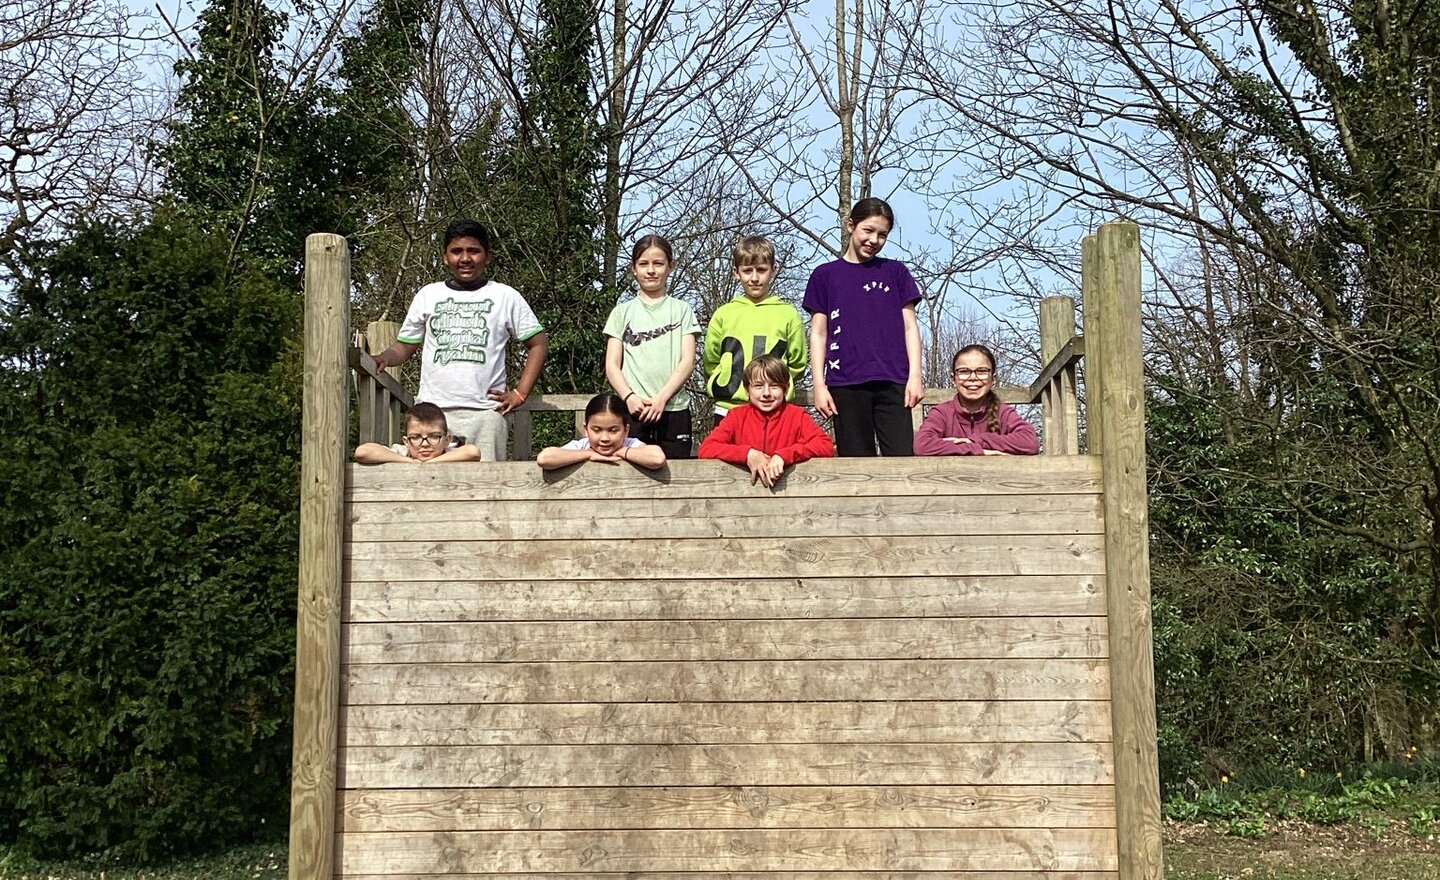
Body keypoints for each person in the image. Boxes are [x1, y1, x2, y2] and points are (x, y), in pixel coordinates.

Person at [365, 219, 548, 461]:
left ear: (488, 256)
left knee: (486, 480)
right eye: (456, 251)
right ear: (445, 257)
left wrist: (520, 392)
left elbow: (538, 344)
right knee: (430, 479)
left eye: (473, 251)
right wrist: (385, 357)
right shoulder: (429, 295)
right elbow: (405, 345)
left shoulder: (505, 296)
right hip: (432, 413)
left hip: (486, 413)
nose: (465, 258)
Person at [802, 197, 923, 457]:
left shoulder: (896, 272)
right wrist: (819, 386)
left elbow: (910, 328)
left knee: (902, 460)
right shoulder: (825, 275)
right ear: (850, 225)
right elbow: (819, 334)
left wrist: (915, 376)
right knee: (855, 463)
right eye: (868, 230)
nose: (873, 240)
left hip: (894, 381)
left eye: (882, 235)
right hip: (845, 382)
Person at [603, 235, 701, 459]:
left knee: (677, 472)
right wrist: (629, 397)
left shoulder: (682, 310)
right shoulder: (621, 312)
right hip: (633, 410)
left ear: (670, 267)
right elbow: (612, 365)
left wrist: (662, 398)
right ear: (633, 268)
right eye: (643, 264)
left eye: (658, 264)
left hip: (674, 409)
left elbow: (687, 361)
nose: (651, 271)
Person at [703, 235, 807, 417]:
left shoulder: (788, 314)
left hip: (773, 410)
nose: (754, 278)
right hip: (728, 409)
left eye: (761, 270)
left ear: (773, 270)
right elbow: (711, 360)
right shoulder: (723, 314)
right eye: (747, 271)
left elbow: (797, 364)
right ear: (736, 272)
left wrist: (774, 385)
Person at [698, 354, 835, 487]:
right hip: (742, 492)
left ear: (785, 389)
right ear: (747, 390)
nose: (766, 393)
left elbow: (825, 445)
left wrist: (784, 456)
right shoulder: (736, 417)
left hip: (791, 492)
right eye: (758, 386)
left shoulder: (797, 416)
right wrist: (747, 454)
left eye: (774, 386)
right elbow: (707, 449)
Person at [914, 345, 1039, 456]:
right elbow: (922, 445)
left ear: (993, 379)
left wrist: (976, 440)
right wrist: (979, 450)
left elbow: (1030, 442)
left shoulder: (1003, 412)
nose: (973, 377)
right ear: (953, 379)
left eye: (982, 371)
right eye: (964, 371)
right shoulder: (941, 413)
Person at [536, 393, 667, 470]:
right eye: (596, 430)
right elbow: (544, 459)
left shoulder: (631, 444)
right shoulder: (582, 446)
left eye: (613, 430)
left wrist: (621, 451)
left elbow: (657, 458)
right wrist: (588, 454)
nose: (605, 438)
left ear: (626, 430)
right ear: (586, 429)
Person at [354, 402, 481, 464]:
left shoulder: (449, 453)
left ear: (447, 440)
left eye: (434, 437)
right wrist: (409, 462)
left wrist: (429, 463)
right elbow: (362, 452)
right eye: (415, 437)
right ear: (406, 441)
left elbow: (473, 452)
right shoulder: (402, 452)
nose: (424, 444)